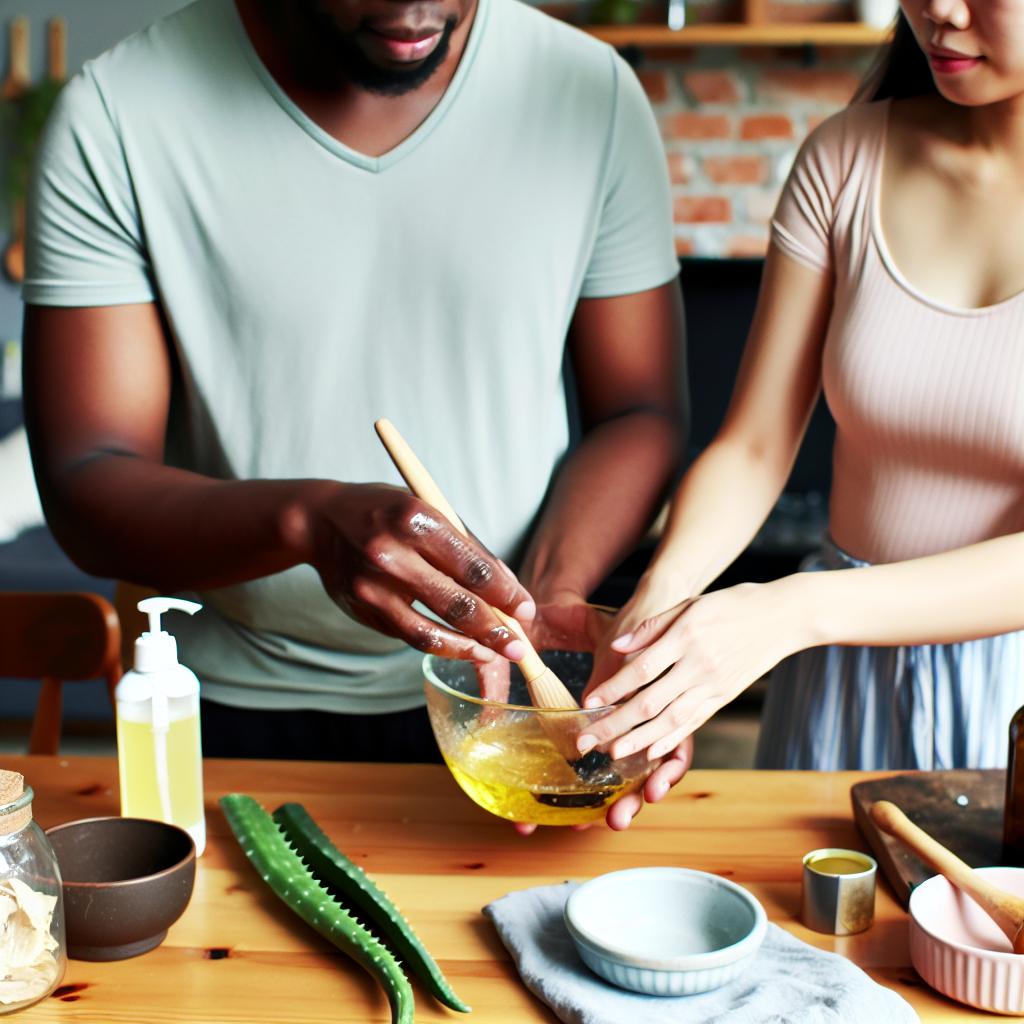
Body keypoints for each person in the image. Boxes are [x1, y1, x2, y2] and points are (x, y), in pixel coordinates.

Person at [22, 0, 691, 826]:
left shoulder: (594, 96)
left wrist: (544, 599)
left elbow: (639, 410)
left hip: (505, 707)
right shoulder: (118, 115)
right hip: (237, 718)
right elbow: (87, 483)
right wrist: (306, 522)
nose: (414, 8)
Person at [577, 0, 1024, 772]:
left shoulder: (798, 613)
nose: (941, 11)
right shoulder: (846, 158)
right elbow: (753, 448)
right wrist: (653, 626)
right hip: (839, 675)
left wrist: (787, 612)